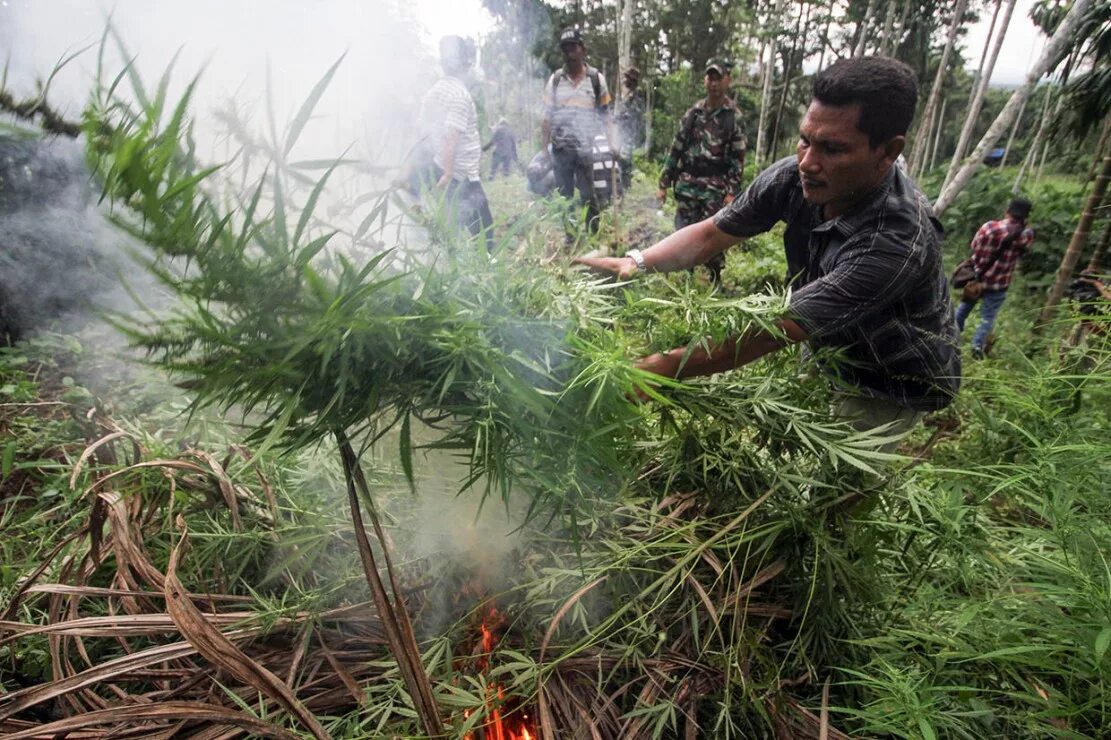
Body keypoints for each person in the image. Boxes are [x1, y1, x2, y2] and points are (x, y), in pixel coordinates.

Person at [578, 56, 961, 437]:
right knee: (793, 437)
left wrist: (655, 369)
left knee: (829, 483)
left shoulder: (895, 240)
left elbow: (770, 331)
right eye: (805, 140)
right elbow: (713, 233)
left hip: (888, 379)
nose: (807, 162)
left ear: (888, 152)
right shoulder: (797, 179)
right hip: (823, 337)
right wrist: (637, 261)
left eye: (833, 149)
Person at [657, 59, 746, 285]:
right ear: (705, 80)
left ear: (728, 80)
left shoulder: (733, 117)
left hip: (714, 187)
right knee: (684, 232)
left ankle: (715, 279)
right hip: (688, 183)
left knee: (713, 236)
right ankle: (686, 280)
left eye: (718, 78)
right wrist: (663, 183)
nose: (713, 83)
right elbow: (676, 148)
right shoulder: (693, 113)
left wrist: (732, 192)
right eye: (710, 78)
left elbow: (738, 158)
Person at [415, 35, 494, 251]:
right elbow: (451, 137)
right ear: (467, 64)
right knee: (485, 231)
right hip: (460, 175)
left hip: (439, 168)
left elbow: (422, 131)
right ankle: (488, 270)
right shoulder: (460, 95)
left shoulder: (433, 92)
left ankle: (447, 266)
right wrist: (448, 174)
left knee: (450, 227)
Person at [541, 27, 615, 238]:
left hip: (585, 149)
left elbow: (606, 115)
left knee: (589, 195)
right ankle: (570, 236)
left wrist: (612, 143)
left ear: (583, 49)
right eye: (565, 49)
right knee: (565, 196)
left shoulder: (595, 79)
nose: (569, 53)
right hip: (561, 149)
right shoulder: (555, 80)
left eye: (573, 47)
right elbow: (546, 117)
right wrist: (544, 150)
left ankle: (593, 235)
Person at [954, 198, 1034, 359]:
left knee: (963, 309)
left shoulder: (989, 227)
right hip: (999, 284)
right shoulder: (1026, 234)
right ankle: (976, 348)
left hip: (976, 279)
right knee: (987, 318)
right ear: (1025, 217)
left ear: (1007, 211)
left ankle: (951, 337)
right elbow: (1024, 251)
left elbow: (974, 246)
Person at [614, 67, 645, 191]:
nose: (625, 80)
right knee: (621, 159)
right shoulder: (629, 93)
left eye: (628, 78)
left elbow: (636, 113)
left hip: (630, 133)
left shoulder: (637, 93)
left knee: (625, 160)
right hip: (624, 132)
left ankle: (626, 188)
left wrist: (620, 117)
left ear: (633, 80)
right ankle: (623, 186)